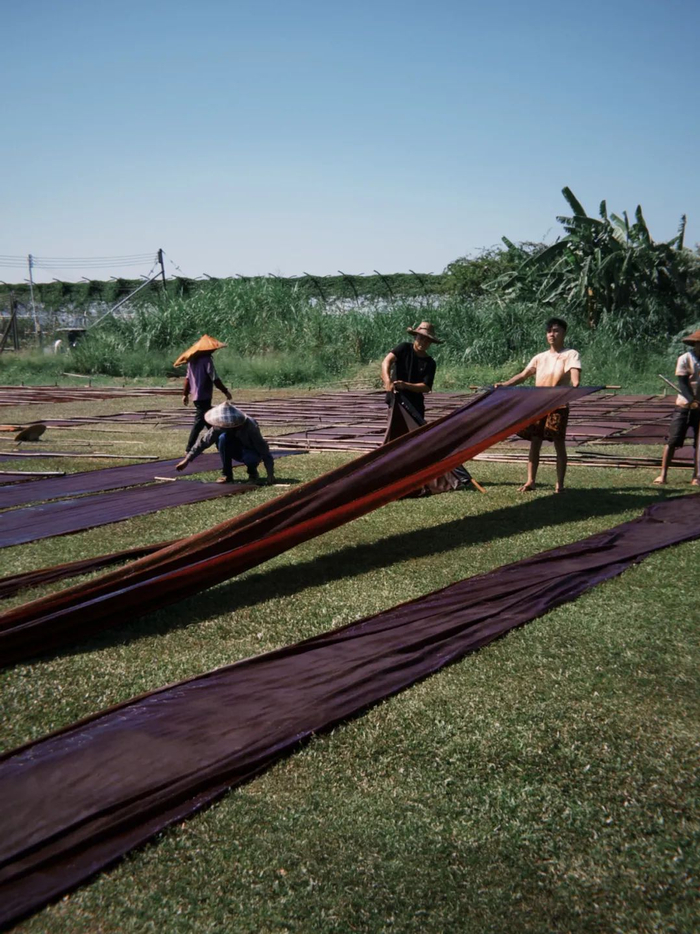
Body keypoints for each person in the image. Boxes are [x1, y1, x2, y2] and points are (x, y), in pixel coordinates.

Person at [495, 317, 581, 493]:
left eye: (556, 330)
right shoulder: (540, 357)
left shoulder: (570, 354)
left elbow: (575, 379)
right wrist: (505, 384)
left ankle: (560, 484)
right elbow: (523, 375)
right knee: (535, 442)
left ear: (564, 333)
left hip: (559, 405)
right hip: (539, 405)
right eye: (549, 330)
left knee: (558, 442)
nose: (552, 334)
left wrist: (574, 386)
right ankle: (530, 481)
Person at [175, 402, 276, 485]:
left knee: (251, 458)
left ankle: (252, 473)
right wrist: (187, 460)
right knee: (222, 438)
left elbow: (264, 450)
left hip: (250, 451)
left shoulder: (250, 426)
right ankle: (227, 474)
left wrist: (270, 474)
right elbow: (204, 442)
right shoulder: (220, 425)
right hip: (234, 448)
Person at [653, 329, 700, 486]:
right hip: (684, 406)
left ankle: (697, 476)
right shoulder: (685, 359)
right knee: (673, 440)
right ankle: (663, 475)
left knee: (699, 444)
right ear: (695, 345)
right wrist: (692, 400)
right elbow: (683, 384)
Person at [174, 335, 232, 452]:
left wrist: (185, 394)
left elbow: (187, 379)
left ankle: (220, 444)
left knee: (209, 421)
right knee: (200, 422)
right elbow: (214, 378)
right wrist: (225, 391)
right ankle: (189, 448)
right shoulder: (207, 360)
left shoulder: (192, 361)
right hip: (203, 396)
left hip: (196, 396)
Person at [381, 321, 441, 419]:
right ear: (415, 337)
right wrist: (387, 381)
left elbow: (426, 387)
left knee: (416, 432)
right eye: (421, 338)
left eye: (427, 341)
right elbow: (386, 362)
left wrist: (405, 385)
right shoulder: (404, 348)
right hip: (396, 400)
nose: (423, 342)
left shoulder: (430, 363)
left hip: (415, 404)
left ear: (430, 343)